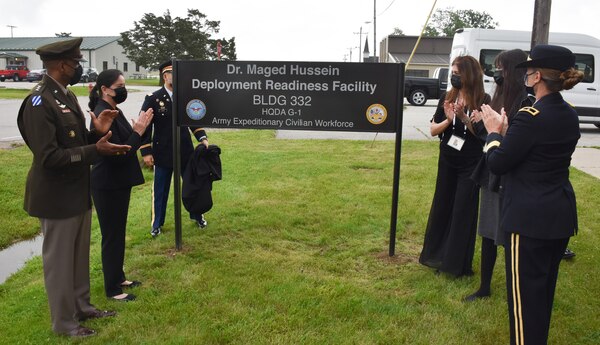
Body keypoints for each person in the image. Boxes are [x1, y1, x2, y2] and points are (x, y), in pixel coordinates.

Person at [17, 37, 130, 337]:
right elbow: (48, 157)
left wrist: (97, 132)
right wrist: (96, 151)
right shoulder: (40, 101)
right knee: (59, 262)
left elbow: (75, 142)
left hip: (77, 192)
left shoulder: (64, 95)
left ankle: (82, 307)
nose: (80, 67)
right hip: (56, 197)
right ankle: (64, 322)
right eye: (77, 62)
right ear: (63, 64)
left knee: (78, 256)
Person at [480, 44, 583, 344]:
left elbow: (498, 162)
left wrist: (494, 133)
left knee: (524, 305)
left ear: (537, 76)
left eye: (527, 71)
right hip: (558, 214)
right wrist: (511, 133)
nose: (524, 75)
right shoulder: (569, 114)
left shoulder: (531, 115)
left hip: (528, 220)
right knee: (542, 297)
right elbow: (537, 153)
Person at [464, 49, 529, 301]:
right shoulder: (498, 98)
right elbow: (487, 138)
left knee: (509, 236)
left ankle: (517, 290)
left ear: (512, 71)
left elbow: (515, 142)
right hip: (490, 171)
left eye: (500, 68)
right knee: (488, 232)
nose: (496, 73)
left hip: (510, 175)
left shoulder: (525, 101)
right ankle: (485, 286)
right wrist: (479, 123)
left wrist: (500, 130)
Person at [419, 55, 491, 277]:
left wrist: (465, 117)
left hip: (470, 162)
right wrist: (450, 119)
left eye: (457, 73)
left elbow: (483, 136)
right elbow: (433, 130)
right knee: (443, 206)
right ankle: (437, 257)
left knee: (462, 210)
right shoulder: (447, 97)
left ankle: (456, 263)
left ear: (469, 74)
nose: (453, 77)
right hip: (448, 158)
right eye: (452, 73)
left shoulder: (483, 100)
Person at [89, 69, 154, 302]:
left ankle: (119, 277)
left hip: (117, 183)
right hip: (108, 184)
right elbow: (122, 153)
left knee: (118, 233)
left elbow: (126, 144)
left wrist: (137, 133)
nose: (123, 90)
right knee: (111, 236)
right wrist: (138, 132)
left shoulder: (114, 110)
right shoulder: (102, 114)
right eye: (119, 86)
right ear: (105, 89)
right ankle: (113, 290)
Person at [140, 60, 209, 237]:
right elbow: (145, 127)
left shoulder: (185, 97)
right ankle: (157, 224)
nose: (176, 76)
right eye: (172, 73)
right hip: (162, 153)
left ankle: (197, 215)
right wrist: (146, 151)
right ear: (165, 76)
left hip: (185, 151)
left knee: (192, 186)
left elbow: (194, 119)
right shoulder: (153, 98)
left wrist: (202, 138)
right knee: (160, 190)